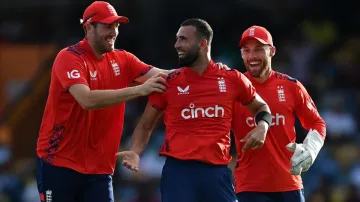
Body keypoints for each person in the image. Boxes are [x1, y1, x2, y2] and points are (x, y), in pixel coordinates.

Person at [117, 19, 272, 202]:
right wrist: (135, 152)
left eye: (183, 39)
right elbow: (145, 125)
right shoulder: (168, 82)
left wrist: (262, 126)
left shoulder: (232, 79)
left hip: (217, 173)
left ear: (203, 43)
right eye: (177, 40)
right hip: (179, 174)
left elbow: (262, 107)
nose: (177, 45)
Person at [35, 1, 176, 202]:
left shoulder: (124, 59)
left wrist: (210, 70)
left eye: (116, 26)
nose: (114, 32)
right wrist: (138, 89)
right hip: (59, 164)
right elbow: (87, 99)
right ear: (88, 27)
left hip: (99, 170)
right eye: (107, 26)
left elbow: (167, 77)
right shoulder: (69, 57)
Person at [232, 25, 326, 202]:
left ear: (272, 51)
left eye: (258, 49)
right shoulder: (234, 88)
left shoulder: (291, 86)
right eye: (246, 50)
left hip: (290, 185)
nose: (251, 56)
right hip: (250, 187)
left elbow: (316, 123)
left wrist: (311, 149)